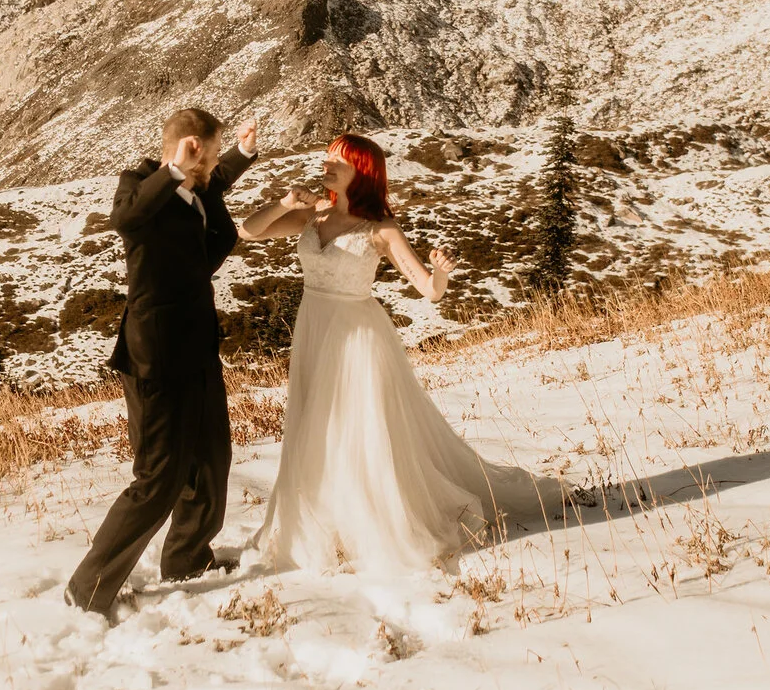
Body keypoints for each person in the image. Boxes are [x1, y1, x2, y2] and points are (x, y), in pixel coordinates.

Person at [239, 132, 579, 574]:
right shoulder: (312, 213)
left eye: (338, 160)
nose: (327, 165)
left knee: (356, 429)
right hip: (313, 327)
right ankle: (322, 521)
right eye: (326, 157)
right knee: (314, 427)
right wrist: (286, 203)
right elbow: (247, 231)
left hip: (356, 335)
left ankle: (367, 523)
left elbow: (427, 290)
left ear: (363, 172)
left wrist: (440, 274)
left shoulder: (380, 228)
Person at [65, 106, 262, 620]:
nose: (215, 164)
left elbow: (212, 187)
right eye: (212, 152)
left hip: (198, 346)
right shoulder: (139, 184)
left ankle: (186, 559)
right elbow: (124, 218)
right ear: (191, 149)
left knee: (210, 459)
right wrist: (174, 168)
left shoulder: (198, 191)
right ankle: (88, 586)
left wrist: (241, 154)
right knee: (159, 476)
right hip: (154, 353)